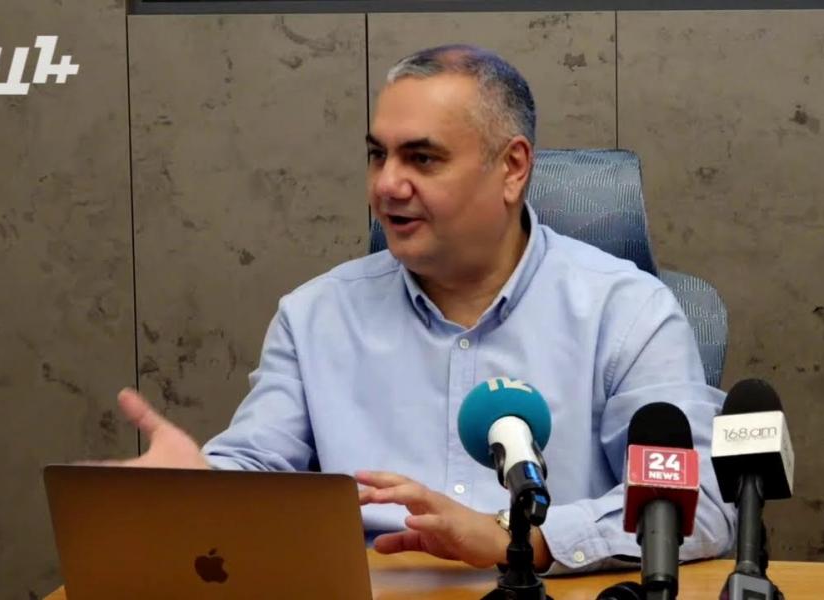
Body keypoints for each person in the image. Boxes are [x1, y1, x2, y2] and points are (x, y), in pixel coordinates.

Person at [105, 44, 735, 574]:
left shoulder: (627, 311)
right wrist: (196, 488)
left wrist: (522, 540)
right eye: (378, 155)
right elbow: (258, 466)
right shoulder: (316, 315)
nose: (386, 184)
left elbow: (701, 504)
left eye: (422, 158)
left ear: (512, 168)